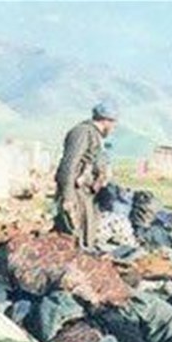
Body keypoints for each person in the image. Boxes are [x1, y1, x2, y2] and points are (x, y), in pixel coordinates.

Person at [54, 100, 119, 248]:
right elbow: (69, 164)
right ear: (106, 120)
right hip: (76, 193)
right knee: (73, 236)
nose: (113, 128)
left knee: (87, 234)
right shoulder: (82, 133)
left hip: (86, 193)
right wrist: (68, 196)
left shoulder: (95, 135)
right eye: (113, 123)